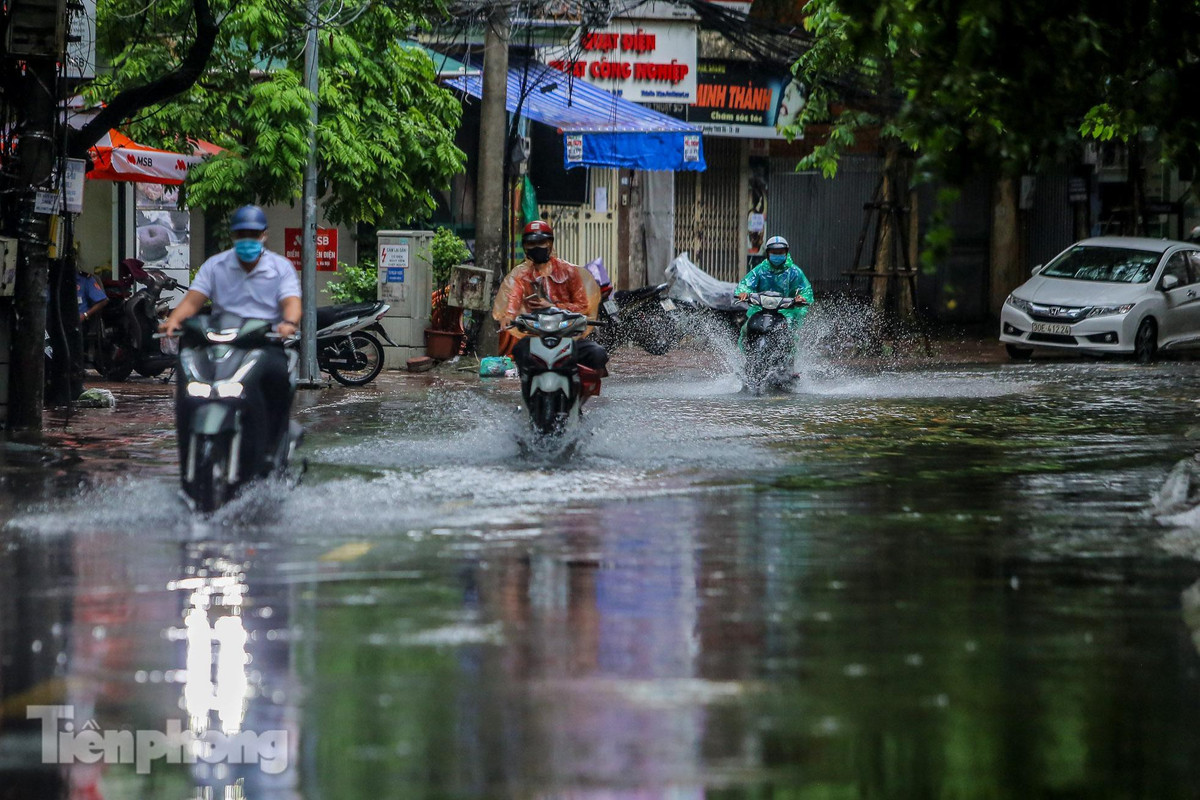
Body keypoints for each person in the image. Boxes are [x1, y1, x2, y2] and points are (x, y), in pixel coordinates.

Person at [159, 205, 301, 475]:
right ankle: (187, 443)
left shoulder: (280, 267)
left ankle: (273, 445)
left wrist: (289, 323)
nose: (247, 239)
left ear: (264, 236)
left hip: (263, 344)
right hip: (220, 343)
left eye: (253, 233)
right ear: (233, 236)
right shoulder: (216, 265)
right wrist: (174, 320)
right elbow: (193, 301)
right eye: (241, 234)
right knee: (187, 381)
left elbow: (291, 302)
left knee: (279, 381)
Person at [494, 219, 609, 376]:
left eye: (541, 242)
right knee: (519, 351)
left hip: (569, 336)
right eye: (531, 243)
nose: (537, 247)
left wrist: (553, 306)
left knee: (598, 354)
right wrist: (508, 316)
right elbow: (513, 297)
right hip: (537, 337)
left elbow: (583, 305)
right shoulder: (522, 276)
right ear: (525, 247)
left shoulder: (569, 272)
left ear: (550, 244)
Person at [735, 234, 813, 347]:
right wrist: (743, 292)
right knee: (745, 330)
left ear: (786, 252)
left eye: (780, 252)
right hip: (761, 308)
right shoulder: (760, 270)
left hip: (785, 311)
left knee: (791, 334)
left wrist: (801, 297)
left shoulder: (795, 272)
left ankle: (789, 359)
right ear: (767, 253)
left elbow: (805, 289)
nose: (777, 255)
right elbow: (746, 283)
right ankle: (746, 357)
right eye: (774, 252)